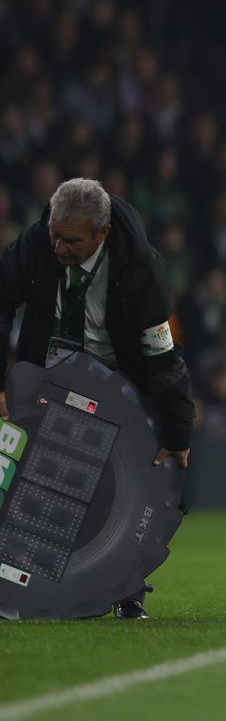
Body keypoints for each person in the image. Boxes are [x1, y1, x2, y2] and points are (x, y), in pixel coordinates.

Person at [0, 177, 195, 619]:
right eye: (55, 235)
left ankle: (128, 588)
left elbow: (162, 355)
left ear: (102, 234)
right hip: (48, 372)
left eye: (71, 241)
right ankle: (29, 587)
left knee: (131, 483)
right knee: (40, 478)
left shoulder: (141, 267)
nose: (59, 248)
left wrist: (177, 430)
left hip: (120, 378)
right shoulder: (37, 243)